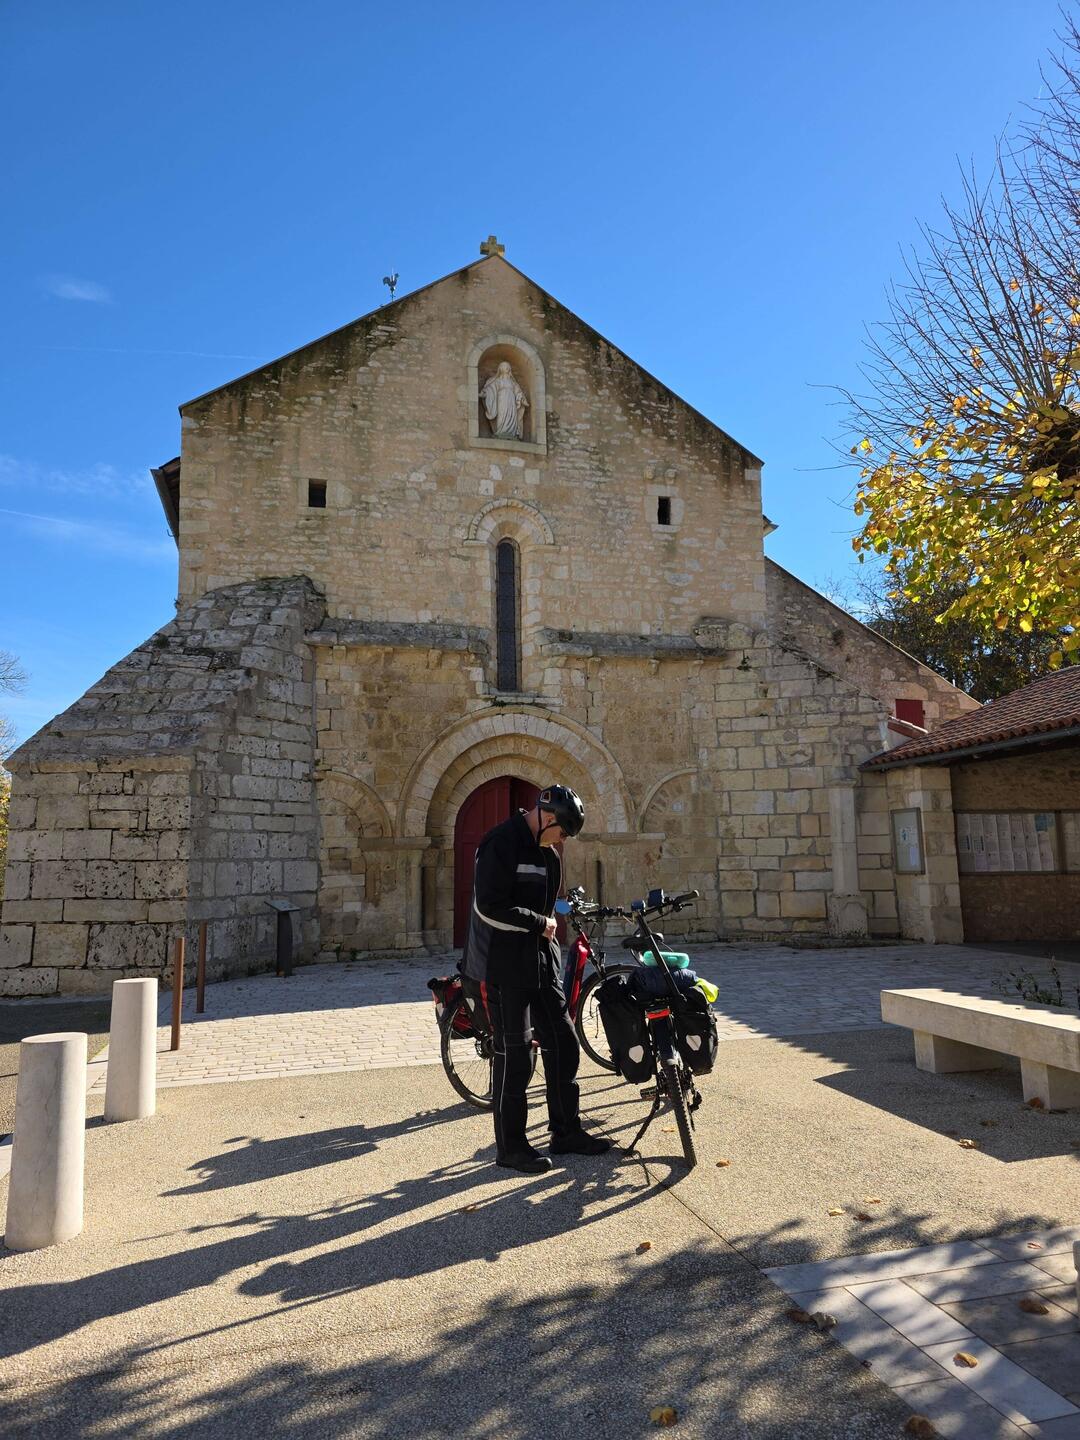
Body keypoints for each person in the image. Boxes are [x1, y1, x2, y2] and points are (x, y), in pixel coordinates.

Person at [462, 784, 611, 1173]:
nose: (563, 840)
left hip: (542, 965)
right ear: (547, 818)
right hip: (503, 967)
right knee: (516, 1058)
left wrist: (550, 937)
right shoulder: (500, 843)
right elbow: (488, 906)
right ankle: (511, 1148)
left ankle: (566, 1133)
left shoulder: (550, 855)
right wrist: (538, 923)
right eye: (562, 831)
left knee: (563, 1042)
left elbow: (549, 907)